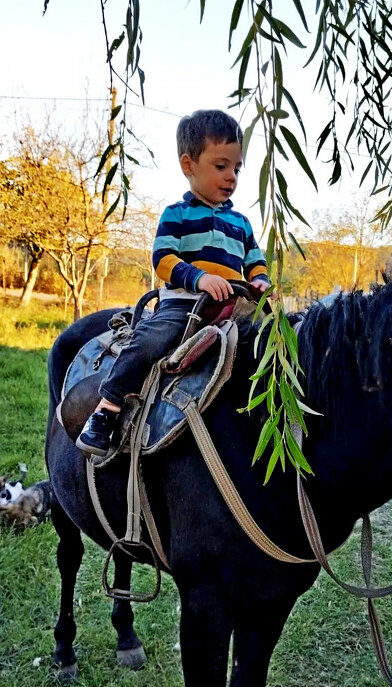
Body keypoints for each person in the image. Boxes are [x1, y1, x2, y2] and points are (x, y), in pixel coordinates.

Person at [77, 109, 269, 457]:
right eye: (221, 166)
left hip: (232, 309)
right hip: (184, 306)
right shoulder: (177, 214)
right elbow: (163, 260)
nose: (231, 177)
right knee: (151, 341)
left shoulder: (241, 222)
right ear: (189, 165)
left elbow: (255, 258)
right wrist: (200, 278)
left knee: (270, 343)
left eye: (237, 169)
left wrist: (258, 281)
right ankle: (107, 408)